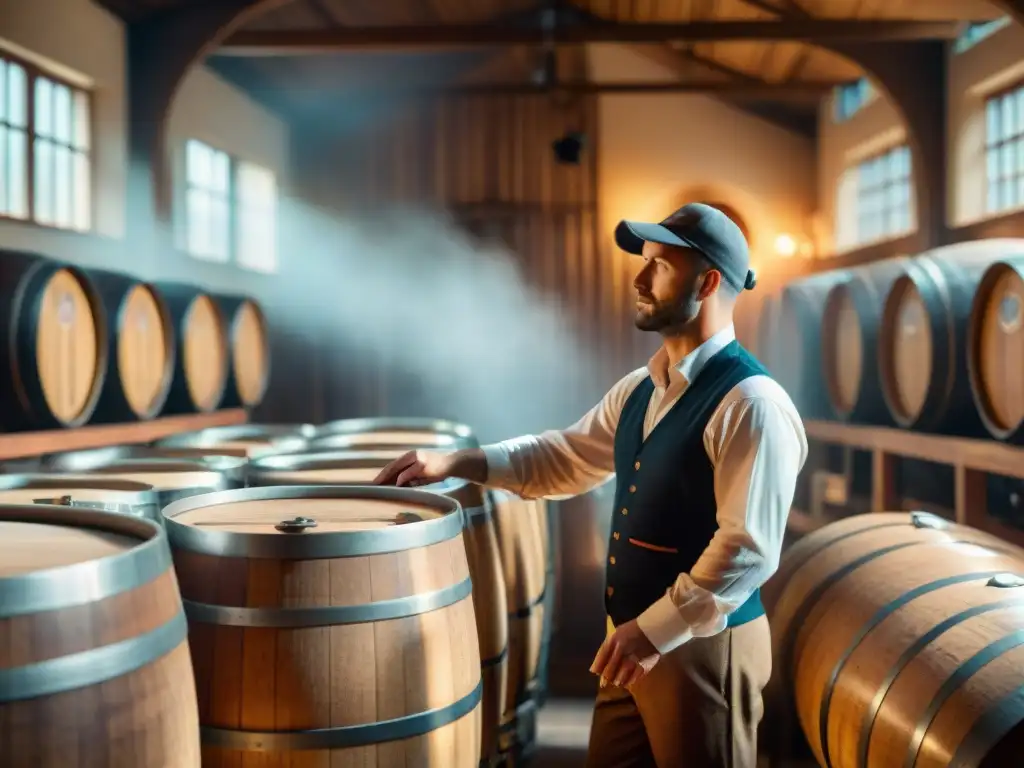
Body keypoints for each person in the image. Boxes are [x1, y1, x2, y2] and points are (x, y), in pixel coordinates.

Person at [373, 202, 808, 768]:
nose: (640, 277)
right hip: (629, 642)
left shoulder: (752, 403)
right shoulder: (640, 389)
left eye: (660, 265)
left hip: (701, 650)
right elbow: (565, 457)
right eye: (644, 262)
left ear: (708, 282)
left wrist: (653, 632)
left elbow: (747, 550)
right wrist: (457, 461)